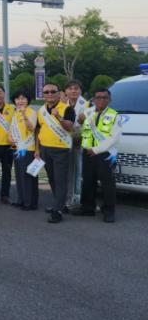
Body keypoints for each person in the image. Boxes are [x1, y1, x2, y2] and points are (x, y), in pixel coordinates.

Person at [72, 88, 122, 223]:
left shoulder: (115, 115)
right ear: (93, 100)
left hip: (105, 154)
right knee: (88, 181)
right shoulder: (87, 112)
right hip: (88, 152)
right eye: (98, 97)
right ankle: (88, 208)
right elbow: (78, 127)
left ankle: (109, 211)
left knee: (107, 183)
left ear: (109, 100)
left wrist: (97, 149)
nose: (101, 100)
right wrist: (79, 121)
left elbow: (114, 138)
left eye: (105, 97)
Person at [36, 83, 75, 223]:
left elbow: (69, 127)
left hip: (61, 149)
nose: (50, 94)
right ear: (43, 95)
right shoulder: (41, 110)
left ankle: (58, 211)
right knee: (52, 178)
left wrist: (59, 117)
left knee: (60, 180)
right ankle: (59, 204)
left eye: (53, 91)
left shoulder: (67, 108)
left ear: (59, 94)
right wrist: (37, 149)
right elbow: (38, 130)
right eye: (46, 92)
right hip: (45, 149)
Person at [9, 90, 38, 211]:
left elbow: (31, 128)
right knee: (19, 175)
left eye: (23, 98)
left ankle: (29, 202)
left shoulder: (32, 112)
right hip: (17, 149)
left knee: (28, 176)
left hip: (28, 148)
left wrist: (24, 115)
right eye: (18, 99)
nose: (20, 101)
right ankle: (21, 200)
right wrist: (10, 137)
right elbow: (12, 129)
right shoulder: (15, 113)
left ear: (27, 100)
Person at [63, 80, 89, 208]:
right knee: (68, 171)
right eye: (70, 88)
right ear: (65, 91)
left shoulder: (88, 105)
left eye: (76, 88)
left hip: (81, 143)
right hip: (66, 143)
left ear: (80, 91)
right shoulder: (63, 105)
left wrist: (83, 123)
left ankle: (78, 199)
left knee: (80, 171)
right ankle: (68, 199)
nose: (73, 91)